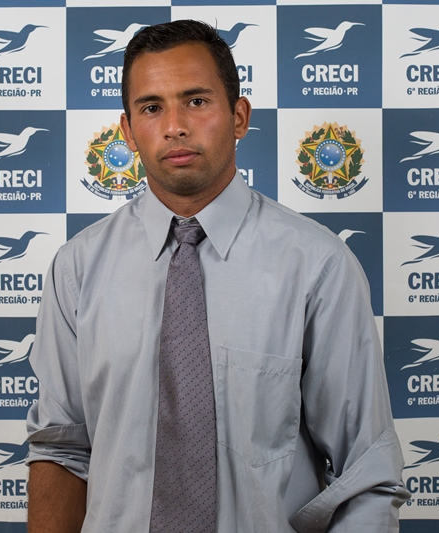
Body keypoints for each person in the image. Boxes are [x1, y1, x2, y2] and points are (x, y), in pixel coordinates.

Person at [26, 19, 408, 532]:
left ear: (239, 116)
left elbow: (365, 474)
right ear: (128, 131)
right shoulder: (77, 267)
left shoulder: (317, 265)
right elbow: (60, 450)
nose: (175, 126)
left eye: (197, 101)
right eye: (151, 107)